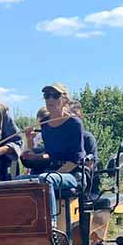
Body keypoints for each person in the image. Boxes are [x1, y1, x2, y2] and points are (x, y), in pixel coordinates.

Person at [20, 83, 86, 225]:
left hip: (73, 174)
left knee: (46, 179)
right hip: (52, 172)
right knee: (20, 180)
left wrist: (55, 173)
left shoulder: (74, 123)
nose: (50, 99)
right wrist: (30, 140)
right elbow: (43, 153)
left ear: (65, 101)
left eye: (55, 96)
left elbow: (76, 159)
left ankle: (51, 226)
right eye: (46, 96)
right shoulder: (45, 123)